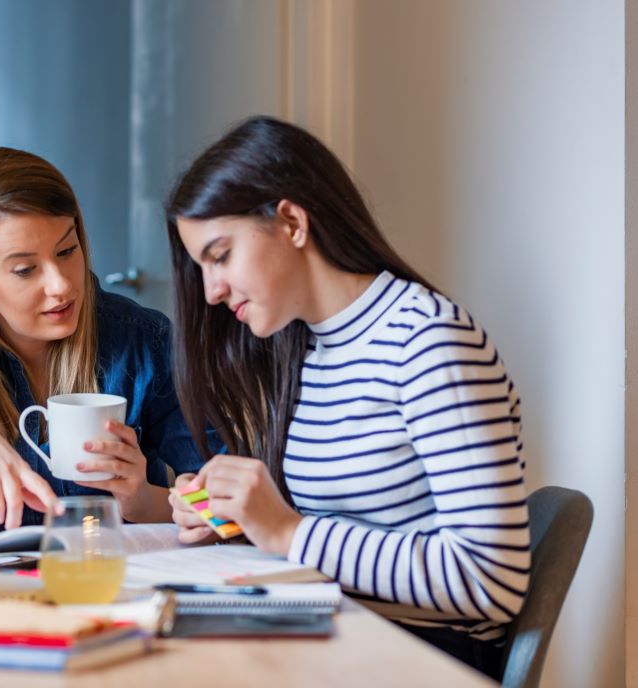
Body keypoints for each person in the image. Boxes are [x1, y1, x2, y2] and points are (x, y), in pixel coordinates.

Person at [165, 116, 528, 680]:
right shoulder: (307, 347)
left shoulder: (428, 341)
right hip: (333, 633)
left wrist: (287, 531)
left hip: (416, 657)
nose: (211, 291)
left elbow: (490, 581)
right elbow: (341, 527)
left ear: (290, 222)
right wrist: (233, 518)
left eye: (220, 255)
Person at [0, 146, 210, 547]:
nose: (62, 285)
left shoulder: (144, 341)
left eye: (67, 251)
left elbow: (220, 509)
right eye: (25, 269)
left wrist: (140, 499)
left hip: (116, 584)